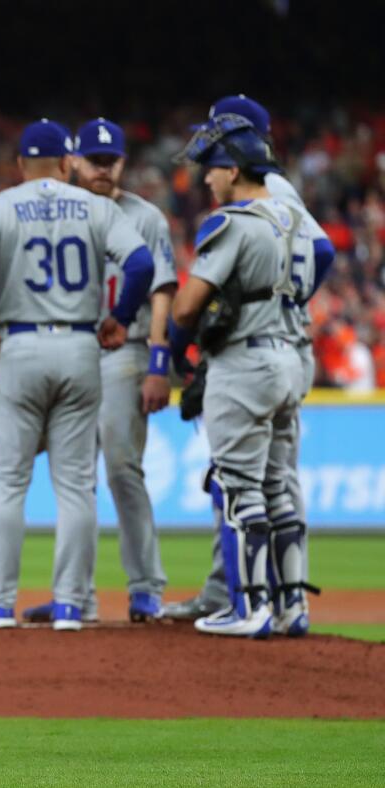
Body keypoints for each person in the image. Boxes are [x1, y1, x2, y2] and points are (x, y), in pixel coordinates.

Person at [0, 119, 154, 631]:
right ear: (67, 163)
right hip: (83, 346)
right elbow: (142, 264)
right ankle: (69, 604)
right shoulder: (98, 208)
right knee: (76, 486)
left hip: (20, 344)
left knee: (8, 482)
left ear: (20, 165)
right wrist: (122, 318)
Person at [163, 96, 334, 635]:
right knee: (280, 485)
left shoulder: (233, 221)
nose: (205, 179)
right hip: (290, 358)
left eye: (211, 168)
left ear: (233, 169)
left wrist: (176, 351)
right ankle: (293, 608)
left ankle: (250, 609)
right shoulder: (296, 215)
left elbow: (189, 305)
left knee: (240, 489)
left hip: (245, 362)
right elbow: (321, 260)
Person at [21, 119, 177, 624]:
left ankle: (146, 587)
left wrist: (158, 362)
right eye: (94, 160)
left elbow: (161, 293)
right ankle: (76, 596)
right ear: (74, 162)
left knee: (122, 470)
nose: (103, 169)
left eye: (112, 161)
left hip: (124, 353)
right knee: (72, 478)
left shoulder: (146, 217)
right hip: (69, 352)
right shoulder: (57, 212)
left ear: (124, 164)